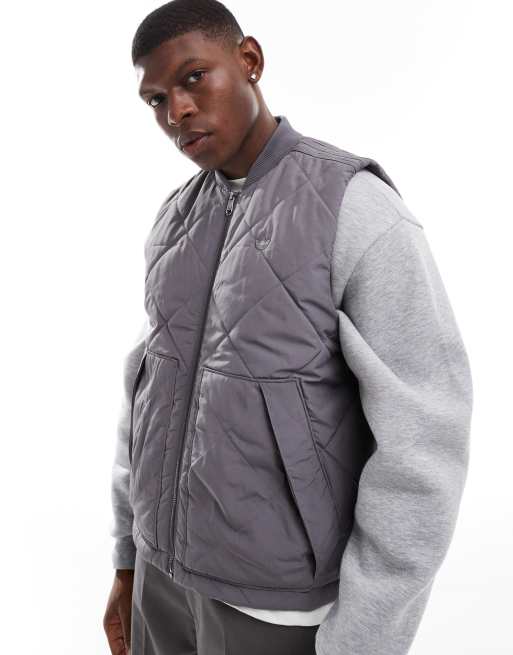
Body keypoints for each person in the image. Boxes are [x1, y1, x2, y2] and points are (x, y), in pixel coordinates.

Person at [103, 1, 474, 654]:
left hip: (273, 609)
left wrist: (364, 639)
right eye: (156, 99)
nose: (176, 111)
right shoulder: (175, 219)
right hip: (161, 585)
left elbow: (423, 441)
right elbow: (146, 395)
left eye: (193, 78)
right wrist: (128, 558)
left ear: (248, 60)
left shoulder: (353, 205)